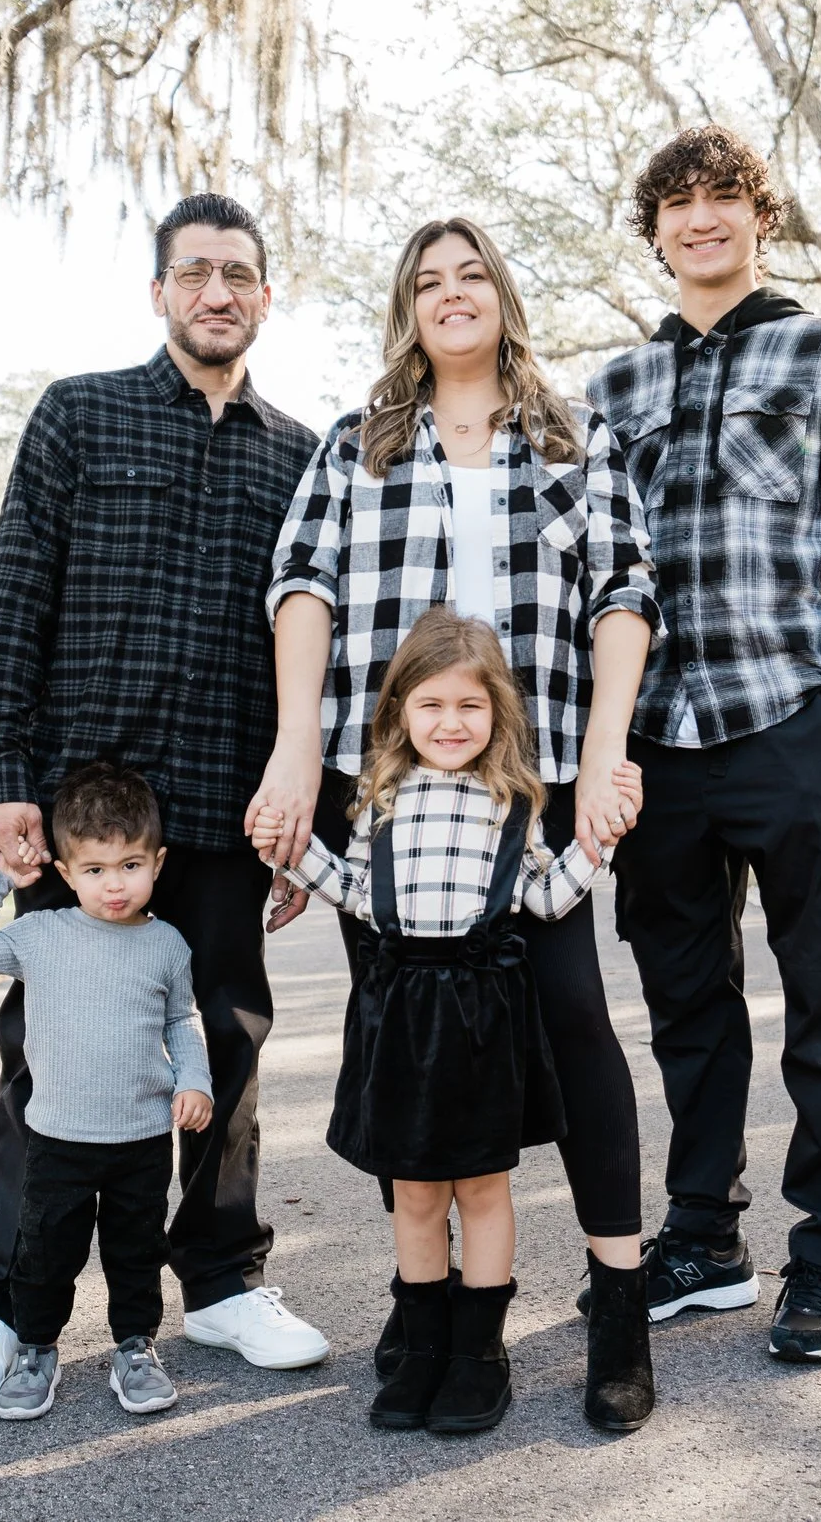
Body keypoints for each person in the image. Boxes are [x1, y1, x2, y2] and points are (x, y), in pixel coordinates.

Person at [247, 217, 664, 1431]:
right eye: (426, 282)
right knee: (409, 1043)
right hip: (381, 784)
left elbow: (623, 594)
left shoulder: (571, 439)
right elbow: (302, 589)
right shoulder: (358, 442)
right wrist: (290, 758)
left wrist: (600, 762)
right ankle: (425, 1308)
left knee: (576, 1025)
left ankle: (619, 1299)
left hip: (528, 784)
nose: (450, 295)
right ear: (407, 308)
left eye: (470, 274)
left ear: (501, 294)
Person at [0, 193, 330, 1421]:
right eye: (194, 272)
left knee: (227, 1043)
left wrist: (317, 811)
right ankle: (3, 1302)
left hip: (225, 803)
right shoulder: (79, 415)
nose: (217, 292)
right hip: (84, 810)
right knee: (44, 1059)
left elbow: (321, 649)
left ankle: (218, 1281)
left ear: (266, 297)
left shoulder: (301, 453)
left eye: (239, 274)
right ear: (159, 292)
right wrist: (3, 781)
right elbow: (15, 600)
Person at [586, 126, 821, 1364]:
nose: (700, 218)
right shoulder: (612, 390)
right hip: (656, 739)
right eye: (677, 201)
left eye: (724, 198)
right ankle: (703, 1237)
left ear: (759, 219)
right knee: (687, 1009)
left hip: (785, 725)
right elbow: (595, 573)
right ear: (654, 229)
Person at [252, 609, 642, 1434]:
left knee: (482, 1185)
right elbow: (359, 895)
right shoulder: (376, 802)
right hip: (399, 1011)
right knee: (418, 1193)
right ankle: (422, 1347)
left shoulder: (512, 803)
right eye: (430, 705)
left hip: (482, 1013)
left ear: (497, 713)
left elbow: (540, 898)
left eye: (470, 706)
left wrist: (598, 840)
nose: (450, 722)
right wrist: (287, 850)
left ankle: (476, 1354)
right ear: (398, 712)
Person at [0, 764, 212, 1419]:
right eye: (94, 869)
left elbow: (182, 1019)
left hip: (142, 1137)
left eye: (129, 864)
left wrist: (194, 1078)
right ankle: (35, 1348)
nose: (113, 883)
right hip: (59, 1138)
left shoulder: (166, 944)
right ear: (66, 871)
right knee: (45, 1251)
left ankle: (135, 1346)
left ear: (158, 862)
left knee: (137, 1249)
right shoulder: (42, 936)